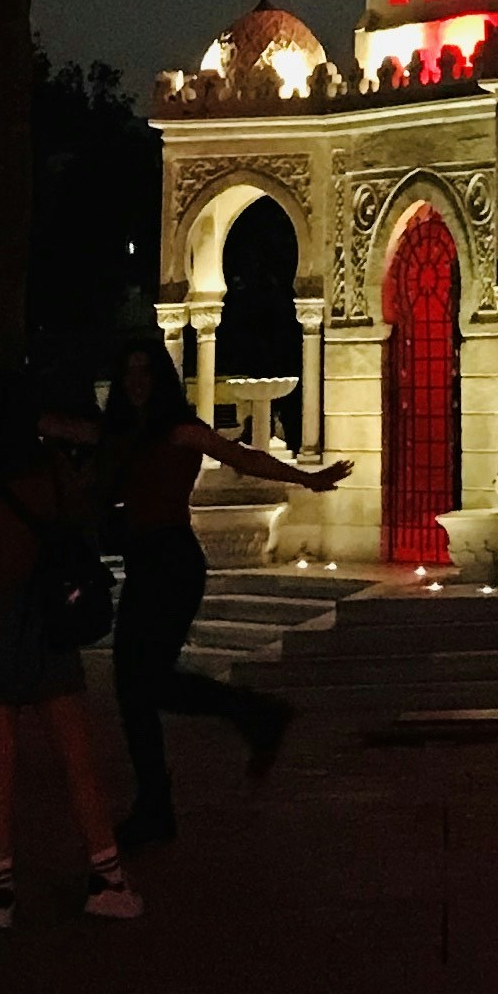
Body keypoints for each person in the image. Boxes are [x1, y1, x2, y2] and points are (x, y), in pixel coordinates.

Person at [98, 337, 346, 850]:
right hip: (146, 562)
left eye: (145, 371)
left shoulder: (179, 432)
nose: (137, 381)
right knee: (138, 685)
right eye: (129, 373)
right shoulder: (121, 434)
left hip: (171, 562)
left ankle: (164, 799)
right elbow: (64, 429)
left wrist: (307, 479)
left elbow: (245, 458)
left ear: (159, 378)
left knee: (137, 682)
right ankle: (246, 721)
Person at [0, 373, 140, 928]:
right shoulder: (44, 473)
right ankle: (106, 876)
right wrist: (52, 431)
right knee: (76, 751)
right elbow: (97, 478)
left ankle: (0, 893)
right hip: (41, 618)